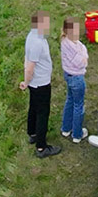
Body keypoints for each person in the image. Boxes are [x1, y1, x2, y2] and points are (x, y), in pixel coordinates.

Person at [21, 12, 60, 158]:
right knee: (43, 113)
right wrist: (26, 81)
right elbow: (30, 66)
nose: (49, 26)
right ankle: (41, 147)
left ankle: (32, 133)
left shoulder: (31, 36)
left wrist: (27, 81)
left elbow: (26, 57)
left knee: (33, 107)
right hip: (41, 83)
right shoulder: (37, 42)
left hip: (34, 83)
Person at [59, 17, 89, 143]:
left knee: (70, 101)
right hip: (77, 78)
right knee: (78, 105)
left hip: (68, 76)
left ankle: (66, 129)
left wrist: (83, 52)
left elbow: (81, 47)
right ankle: (77, 134)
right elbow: (82, 63)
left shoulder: (64, 41)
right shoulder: (75, 47)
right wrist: (84, 54)